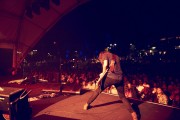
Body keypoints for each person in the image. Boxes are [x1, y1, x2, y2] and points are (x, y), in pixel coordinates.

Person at [83, 48, 137, 120]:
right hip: (120, 78)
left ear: (101, 54)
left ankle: (87, 104)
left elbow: (105, 65)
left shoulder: (104, 55)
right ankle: (133, 114)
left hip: (110, 78)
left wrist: (101, 77)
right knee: (122, 97)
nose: (100, 60)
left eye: (99, 58)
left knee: (98, 90)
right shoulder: (116, 56)